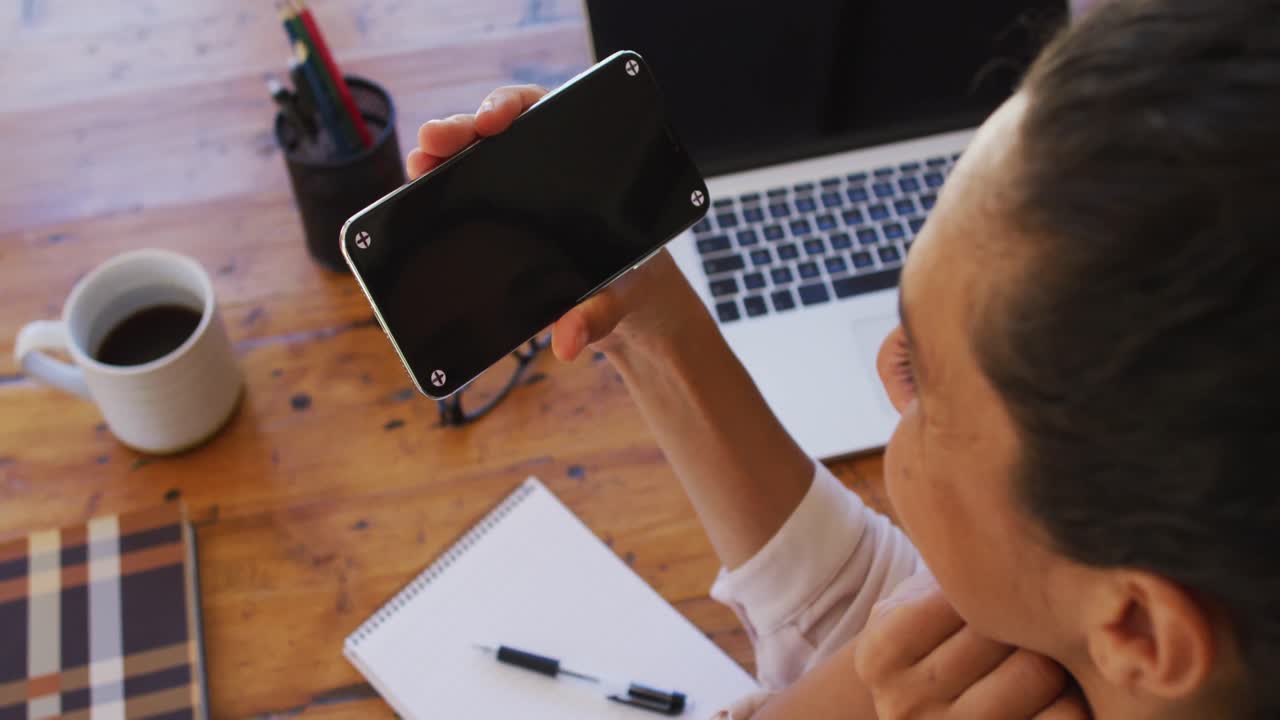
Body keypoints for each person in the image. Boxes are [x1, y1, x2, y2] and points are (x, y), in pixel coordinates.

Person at [408, 0, 1280, 716]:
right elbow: (897, 618)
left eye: (923, 382)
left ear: (1138, 632)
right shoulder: (1076, 620)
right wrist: (648, 313)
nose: (887, 361)